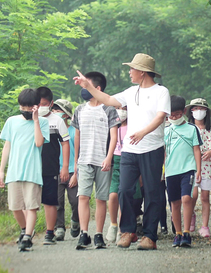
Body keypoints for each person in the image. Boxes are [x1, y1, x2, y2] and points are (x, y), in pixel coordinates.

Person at [73, 53, 170, 251]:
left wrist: (143, 132)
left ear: (142, 72)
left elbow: (161, 117)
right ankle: (127, 231)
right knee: (124, 190)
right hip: (129, 150)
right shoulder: (131, 91)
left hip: (152, 148)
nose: (129, 72)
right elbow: (108, 99)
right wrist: (88, 87)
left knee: (151, 192)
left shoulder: (161, 92)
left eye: (132, 69)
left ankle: (150, 236)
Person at [0, 88, 50, 251]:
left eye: (29, 107)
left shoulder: (42, 122)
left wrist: (35, 120)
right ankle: (24, 229)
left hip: (32, 172)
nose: (26, 110)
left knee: (31, 206)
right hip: (14, 171)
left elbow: (39, 143)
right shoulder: (11, 121)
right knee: (15, 207)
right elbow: (7, 146)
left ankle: (27, 237)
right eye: (23, 107)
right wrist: (1, 171)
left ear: (36, 106)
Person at [72, 72, 120, 249]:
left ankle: (98, 234)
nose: (83, 88)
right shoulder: (79, 110)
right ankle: (84, 234)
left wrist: (109, 157)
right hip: (84, 160)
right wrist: (76, 162)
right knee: (83, 197)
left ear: (97, 88)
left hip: (103, 161)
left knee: (101, 198)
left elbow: (114, 135)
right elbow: (77, 135)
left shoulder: (109, 109)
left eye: (87, 85)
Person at [164, 95, 202, 248]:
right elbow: (164, 151)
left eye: (178, 114)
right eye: (171, 115)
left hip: (188, 169)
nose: (174, 117)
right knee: (174, 202)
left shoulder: (192, 129)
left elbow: (196, 149)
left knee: (187, 198)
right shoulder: (166, 130)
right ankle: (178, 233)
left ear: (184, 111)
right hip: (171, 171)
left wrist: (198, 169)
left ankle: (187, 232)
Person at [35, 86, 71, 245]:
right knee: (30, 202)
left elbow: (65, 144)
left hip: (51, 167)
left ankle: (50, 232)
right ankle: (27, 232)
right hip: (33, 167)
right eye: (38, 104)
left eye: (43, 104)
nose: (40, 107)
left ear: (50, 103)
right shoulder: (31, 119)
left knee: (50, 201)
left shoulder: (57, 121)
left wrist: (64, 167)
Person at [106, 106, 144, 243]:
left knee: (125, 194)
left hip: (130, 158)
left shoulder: (134, 126)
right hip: (116, 159)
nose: (120, 111)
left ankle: (123, 230)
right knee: (114, 193)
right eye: (117, 108)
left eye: (123, 108)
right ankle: (113, 224)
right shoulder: (112, 125)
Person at [186, 98, 211, 238]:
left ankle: (205, 226)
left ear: (206, 112)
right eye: (195, 109)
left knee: (205, 196)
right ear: (191, 111)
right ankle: (191, 215)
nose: (198, 111)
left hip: (207, 166)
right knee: (193, 195)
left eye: (201, 109)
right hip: (191, 165)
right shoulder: (188, 129)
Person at [53, 99, 79, 241]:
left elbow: (79, 153)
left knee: (75, 201)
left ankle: (76, 220)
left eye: (59, 111)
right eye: (54, 110)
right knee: (57, 202)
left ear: (66, 115)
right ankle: (59, 227)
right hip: (55, 171)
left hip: (72, 172)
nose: (55, 113)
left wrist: (76, 173)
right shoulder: (51, 131)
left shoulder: (74, 131)